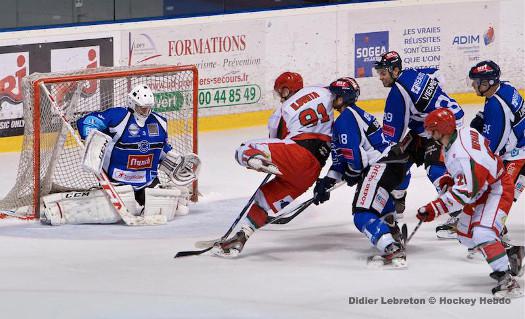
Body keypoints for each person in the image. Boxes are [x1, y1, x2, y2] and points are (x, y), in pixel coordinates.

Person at [212, 72, 334, 257]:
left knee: (244, 148)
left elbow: (276, 140)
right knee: (264, 199)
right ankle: (240, 238)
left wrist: (273, 160)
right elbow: (341, 93)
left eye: (280, 91)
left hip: (296, 155)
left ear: (286, 89)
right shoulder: (322, 91)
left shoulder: (282, 111)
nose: (280, 96)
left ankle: (254, 159)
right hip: (313, 170)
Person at [40, 84, 200, 225]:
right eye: (141, 107)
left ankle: (169, 198)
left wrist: (175, 161)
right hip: (118, 181)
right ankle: (58, 210)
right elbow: (86, 121)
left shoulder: (159, 122)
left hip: (147, 181)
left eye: (148, 108)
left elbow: (162, 149)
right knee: (112, 211)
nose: (145, 111)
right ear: (132, 103)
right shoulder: (118, 117)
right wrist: (91, 137)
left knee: (170, 210)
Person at [417, 108, 523, 297]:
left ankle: (507, 280)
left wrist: (434, 208)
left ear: (442, 129)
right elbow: (466, 175)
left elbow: (463, 196)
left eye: (432, 130)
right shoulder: (463, 134)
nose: (430, 134)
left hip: (496, 189)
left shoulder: (462, 154)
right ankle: (510, 254)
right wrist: (450, 178)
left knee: (482, 233)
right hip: (482, 188)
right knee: (466, 235)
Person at [313, 77, 409, 268]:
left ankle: (391, 247)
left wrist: (353, 172)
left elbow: (356, 160)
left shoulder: (345, 119)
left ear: (342, 98)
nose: (331, 98)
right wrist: (327, 181)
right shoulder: (355, 115)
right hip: (394, 166)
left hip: (380, 166)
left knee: (361, 213)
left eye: (335, 95)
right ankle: (391, 229)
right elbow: (342, 160)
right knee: (377, 204)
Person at [374, 50, 465, 238]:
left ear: (396, 70)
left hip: (442, 131)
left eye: (383, 73)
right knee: (400, 159)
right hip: (445, 122)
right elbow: (438, 74)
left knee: (434, 168)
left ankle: (462, 217)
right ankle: (398, 199)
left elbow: (393, 137)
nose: (381, 78)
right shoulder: (416, 72)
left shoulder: (397, 94)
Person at [468, 60, 525, 205]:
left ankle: (491, 226)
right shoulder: (506, 86)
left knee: (498, 194)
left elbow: (493, 148)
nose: (473, 85)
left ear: (487, 83)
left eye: (476, 82)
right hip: (521, 145)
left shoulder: (496, 105)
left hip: (518, 156)